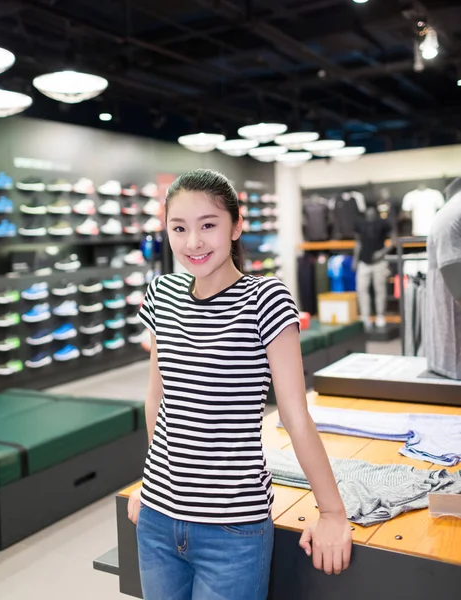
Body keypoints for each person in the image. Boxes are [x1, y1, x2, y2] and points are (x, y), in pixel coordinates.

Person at [127, 169, 352, 600]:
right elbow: (158, 396)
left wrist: (332, 512)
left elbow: (295, 415)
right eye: (179, 228)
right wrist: (154, 484)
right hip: (156, 518)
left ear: (236, 225)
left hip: (233, 528)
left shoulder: (266, 299)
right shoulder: (161, 294)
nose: (193, 242)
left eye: (208, 225)